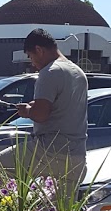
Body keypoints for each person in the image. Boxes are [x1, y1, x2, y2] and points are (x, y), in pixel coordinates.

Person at [15, 28, 88, 195]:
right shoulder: (78, 72)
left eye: (30, 56)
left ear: (39, 50)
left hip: (49, 150)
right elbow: (61, 106)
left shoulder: (49, 72)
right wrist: (37, 105)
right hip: (77, 156)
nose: (32, 63)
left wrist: (27, 111)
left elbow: (40, 115)